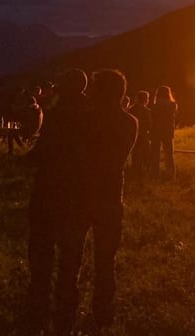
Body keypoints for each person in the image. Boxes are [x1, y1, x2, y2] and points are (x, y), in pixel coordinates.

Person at [71, 69, 138, 329]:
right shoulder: (130, 121)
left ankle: (66, 313)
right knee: (105, 260)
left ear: (100, 92)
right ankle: (103, 315)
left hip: (80, 195)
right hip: (111, 197)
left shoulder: (84, 120)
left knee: (71, 258)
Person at [26, 68, 90, 335]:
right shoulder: (91, 114)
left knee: (42, 249)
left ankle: (37, 304)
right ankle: (67, 306)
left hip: (49, 190)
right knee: (71, 253)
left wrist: (26, 158)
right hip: (78, 193)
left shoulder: (58, 114)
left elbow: (42, 152)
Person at [151, 85, 178, 178]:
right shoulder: (173, 105)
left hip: (155, 131)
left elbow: (153, 118)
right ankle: (170, 174)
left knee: (155, 154)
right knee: (169, 154)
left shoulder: (154, 105)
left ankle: (154, 173)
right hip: (168, 131)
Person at [127, 90, 153, 181]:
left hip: (133, 136)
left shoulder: (131, 109)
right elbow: (150, 124)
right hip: (143, 136)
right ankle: (143, 176)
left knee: (135, 156)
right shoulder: (146, 111)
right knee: (146, 156)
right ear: (145, 99)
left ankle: (135, 174)